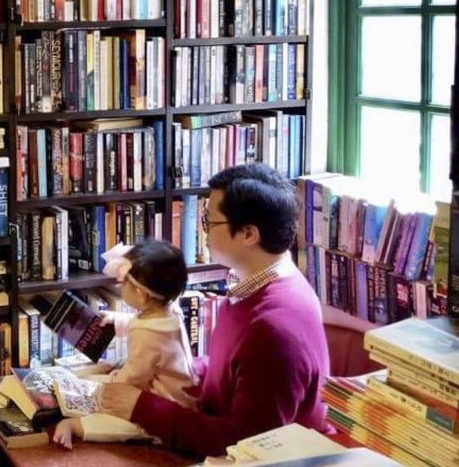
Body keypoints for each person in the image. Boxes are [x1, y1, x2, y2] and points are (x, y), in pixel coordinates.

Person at [96, 162, 330, 460]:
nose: (202, 229)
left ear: (248, 234)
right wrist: (178, 366)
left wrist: (141, 407)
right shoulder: (256, 283)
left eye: (210, 220)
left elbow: (245, 445)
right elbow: (234, 368)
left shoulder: (274, 328)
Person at [53, 240, 197, 449]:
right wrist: (117, 319)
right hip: (179, 394)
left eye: (123, 284)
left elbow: (133, 376)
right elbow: (140, 325)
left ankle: (76, 426)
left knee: (123, 423)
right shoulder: (169, 311)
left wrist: (108, 386)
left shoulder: (146, 335)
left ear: (141, 294)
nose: (120, 287)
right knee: (95, 379)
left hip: (162, 404)